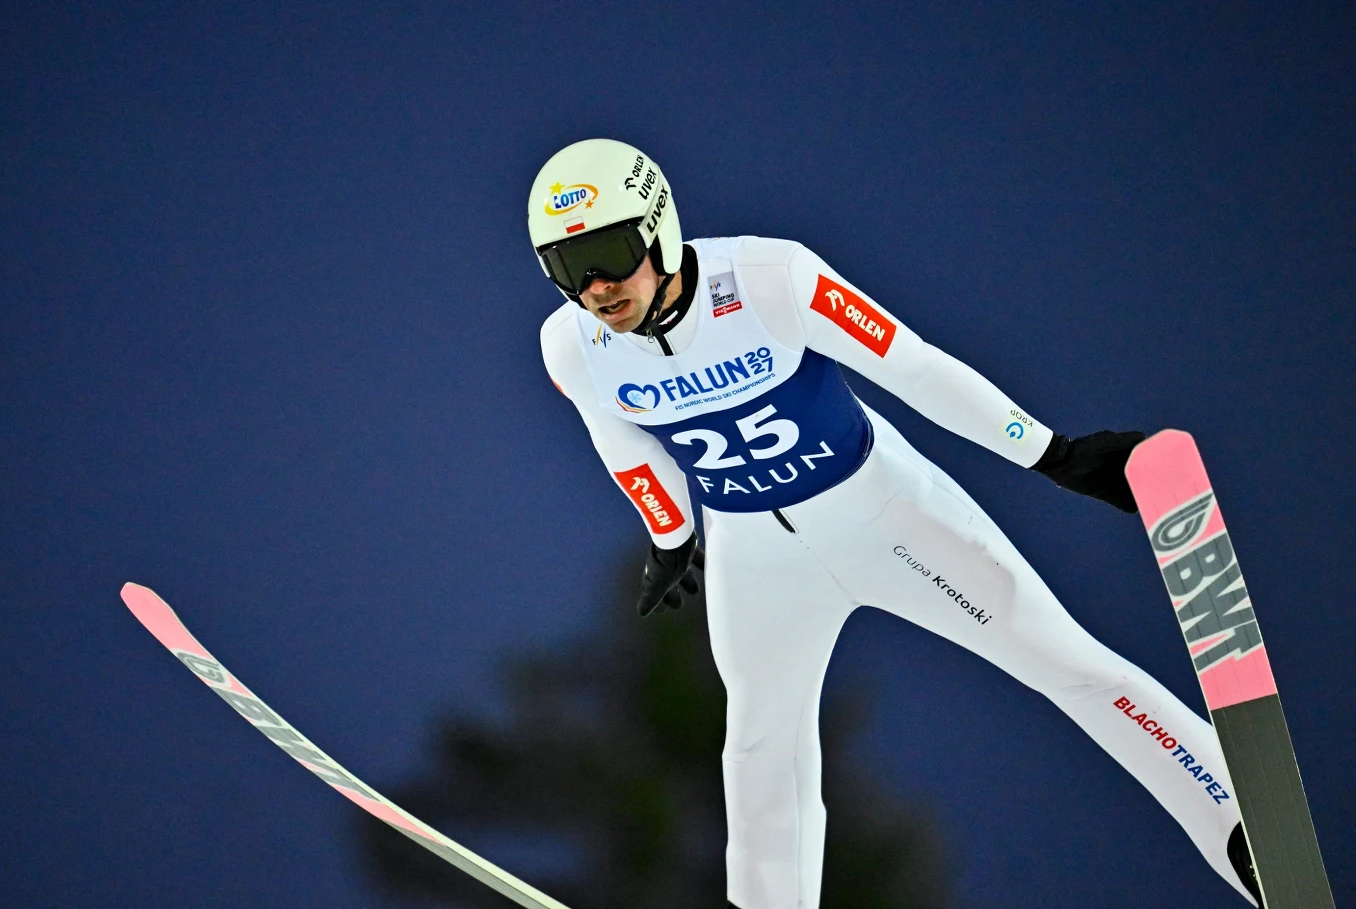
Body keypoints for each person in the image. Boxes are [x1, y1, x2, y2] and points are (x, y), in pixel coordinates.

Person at [530, 138, 1262, 908]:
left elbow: (911, 366)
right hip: (755, 558)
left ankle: (1237, 826)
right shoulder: (572, 346)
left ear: (658, 227)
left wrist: (1052, 452)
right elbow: (622, 444)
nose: (596, 286)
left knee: (1064, 660)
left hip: (888, 513)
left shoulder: (768, 278)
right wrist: (671, 535)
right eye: (566, 267)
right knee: (757, 750)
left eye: (609, 252)